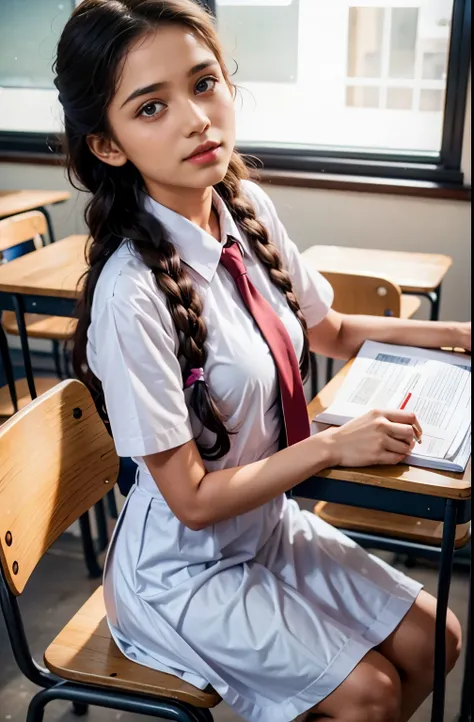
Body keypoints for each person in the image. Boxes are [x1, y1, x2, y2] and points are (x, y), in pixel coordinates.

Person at [54, 2, 470, 720]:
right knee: (368, 693)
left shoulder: (243, 205)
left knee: (437, 639)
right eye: (151, 107)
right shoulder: (132, 295)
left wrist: (456, 333)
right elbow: (189, 498)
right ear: (109, 144)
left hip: (265, 526)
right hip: (179, 570)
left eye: (204, 83)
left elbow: (330, 329)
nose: (196, 119)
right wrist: (332, 446)